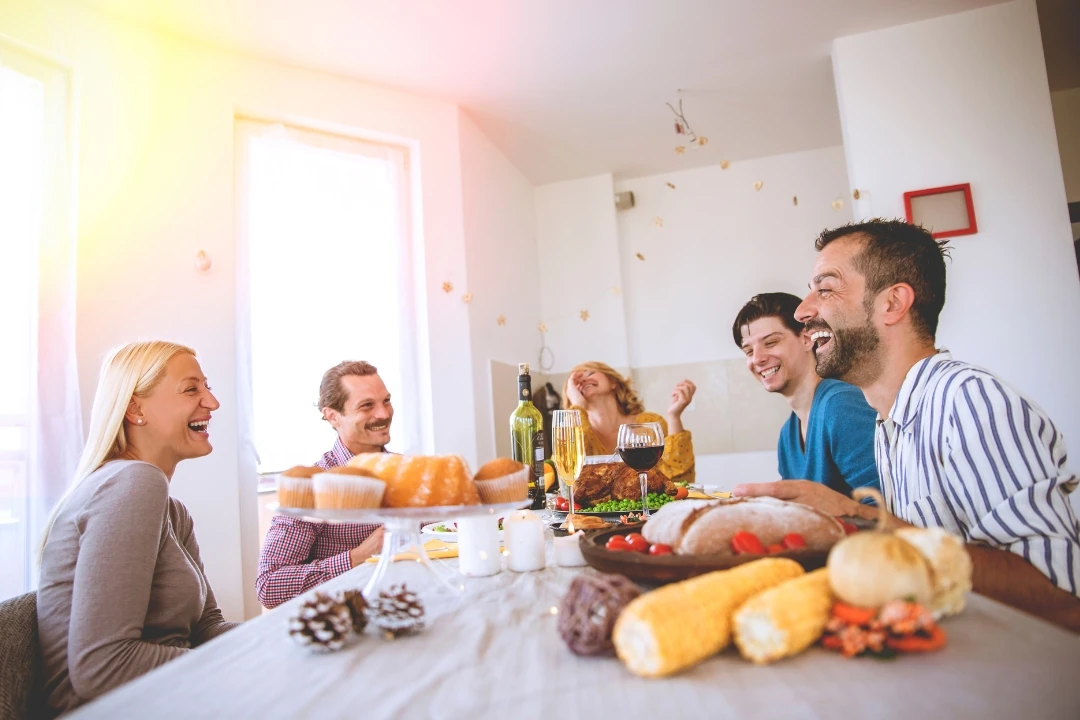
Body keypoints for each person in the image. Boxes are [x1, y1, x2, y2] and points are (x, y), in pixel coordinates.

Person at [735, 219, 1080, 631]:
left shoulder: (969, 402)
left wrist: (855, 515)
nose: (803, 310)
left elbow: (1061, 594)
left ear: (893, 303)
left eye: (825, 287)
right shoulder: (889, 422)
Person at [37, 341, 238, 714]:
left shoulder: (172, 511)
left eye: (207, 387)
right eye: (191, 388)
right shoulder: (133, 482)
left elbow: (207, 628)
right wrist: (250, 662)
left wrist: (283, 635)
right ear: (135, 408)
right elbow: (101, 667)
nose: (212, 402)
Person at [256, 361, 391, 608]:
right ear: (333, 416)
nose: (383, 414)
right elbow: (269, 587)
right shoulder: (310, 485)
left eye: (386, 401)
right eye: (367, 406)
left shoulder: (410, 474)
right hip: (346, 623)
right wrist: (357, 557)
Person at [733, 292, 879, 497]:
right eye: (749, 351)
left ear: (806, 339)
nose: (757, 359)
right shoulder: (788, 435)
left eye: (771, 342)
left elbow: (885, 508)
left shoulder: (840, 406)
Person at [562, 361, 695, 481]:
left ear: (613, 382)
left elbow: (680, 479)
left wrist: (674, 416)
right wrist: (577, 407)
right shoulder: (580, 433)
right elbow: (565, 472)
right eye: (575, 384)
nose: (583, 381)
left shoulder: (649, 423)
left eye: (590, 373)